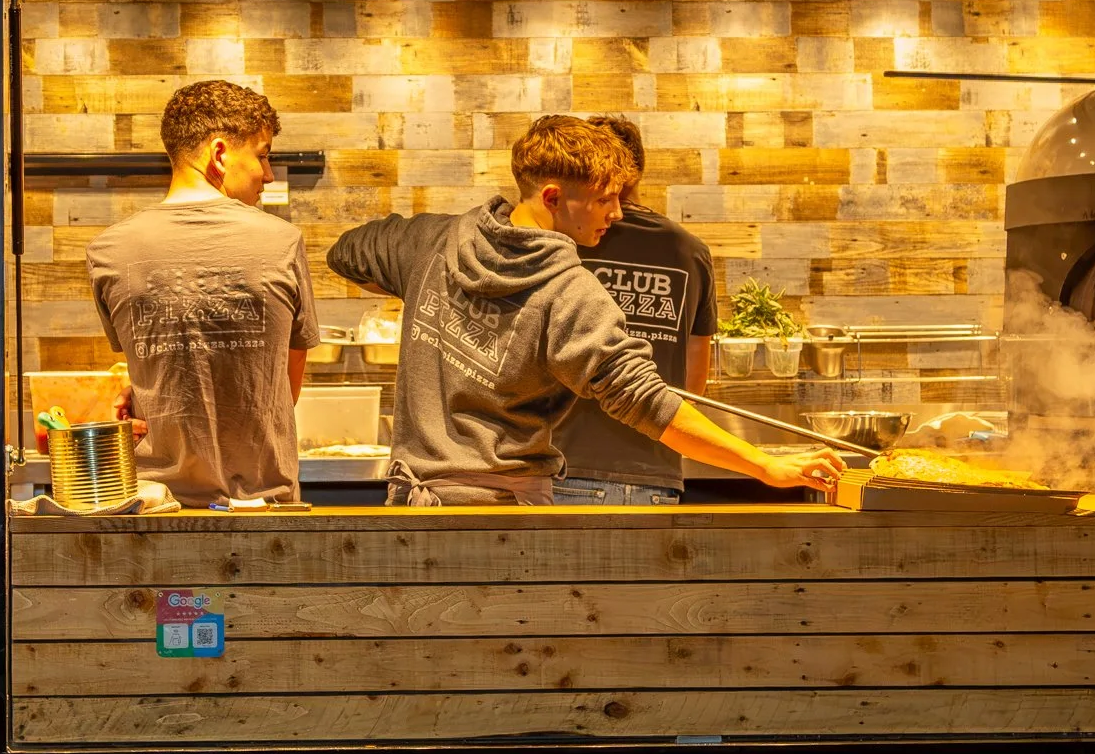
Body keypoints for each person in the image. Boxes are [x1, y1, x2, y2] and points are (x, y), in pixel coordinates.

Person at [326, 115, 843, 507]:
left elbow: (347, 250)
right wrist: (762, 464)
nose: (617, 214)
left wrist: (419, 289)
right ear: (553, 197)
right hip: (505, 514)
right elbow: (647, 400)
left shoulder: (430, 242)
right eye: (604, 200)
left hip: (413, 505)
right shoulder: (570, 291)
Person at [85, 80, 316, 506]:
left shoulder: (108, 251)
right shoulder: (282, 241)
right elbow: (285, 381)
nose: (267, 174)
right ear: (220, 154)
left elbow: (151, 363)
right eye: (263, 155)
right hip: (265, 506)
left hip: (154, 506)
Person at [549, 115, 717, 506]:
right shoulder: (690, 251)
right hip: (656, 474)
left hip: (565, 466)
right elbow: (693, 385)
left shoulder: (564, 240)